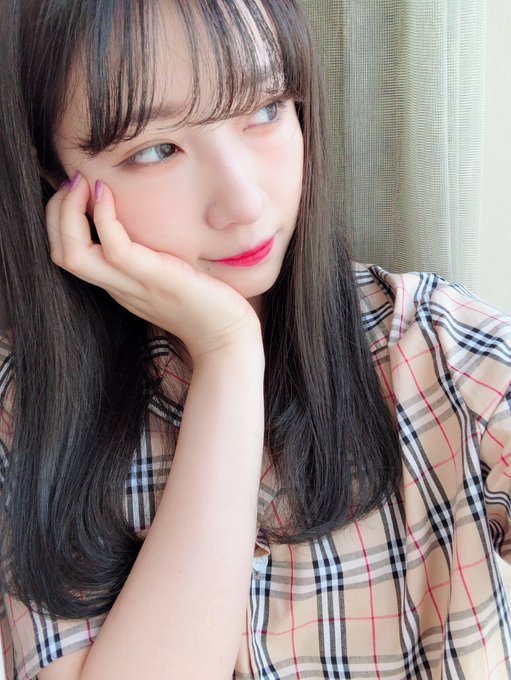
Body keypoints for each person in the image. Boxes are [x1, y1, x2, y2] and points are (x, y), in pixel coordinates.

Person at [0, 0, 510, 678]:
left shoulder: (434, 346)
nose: (242, 202)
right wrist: (228, 355)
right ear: (53, 172)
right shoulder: (26, 410)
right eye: (155, 150)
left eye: (265, 109)